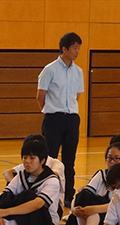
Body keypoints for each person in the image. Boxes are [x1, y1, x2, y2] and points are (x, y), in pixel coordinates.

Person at [36, 32, 84, 207]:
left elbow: (76, 96)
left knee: (69, 160)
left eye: (79, 48)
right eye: (74, 48)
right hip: (53, 118)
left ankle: (68, 194)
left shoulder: (78, 72)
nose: (77, 51)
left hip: (71, 118)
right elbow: (40, 96)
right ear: (64, 49)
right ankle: (48, 192)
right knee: (49, 158)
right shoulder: (50, 69)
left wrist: (67, 113)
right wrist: (51, 111)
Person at [62, 142, 120, 225]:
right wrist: (74, 209)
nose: (112, 162)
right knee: (83, 195)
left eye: (117, 159)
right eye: (109, 158)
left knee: (92, 208)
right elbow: (83, 195)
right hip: (92, 215)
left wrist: (92, 209)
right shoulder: (101, 174)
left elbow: (119, 205)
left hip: (115, 218)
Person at [3, 133, 65, 212]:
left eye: (32, 157)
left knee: (28, 195)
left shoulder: (55, 164)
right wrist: (15, 183)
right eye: (25, 157)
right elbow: (7, 172)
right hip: (28, 202)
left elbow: (54, 175)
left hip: (50, 206)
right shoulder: (28, 164)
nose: (28, 161)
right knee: (12, 194)